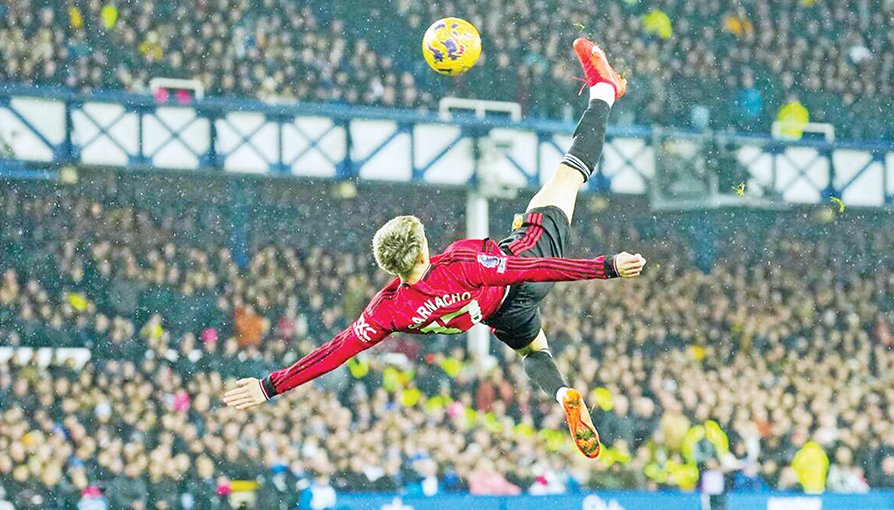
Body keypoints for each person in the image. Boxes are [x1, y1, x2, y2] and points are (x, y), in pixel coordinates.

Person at [224, 38, 646, 459]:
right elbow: (528, 271)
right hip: (522, 267)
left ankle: (561, 393)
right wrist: (607, 266)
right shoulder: (459, 263)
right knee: (568, 176)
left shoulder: (387, 310)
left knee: (533, 350)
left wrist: (270, 385)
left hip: (500, 316)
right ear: (424, 250)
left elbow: (333, 353)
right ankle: (603, 90)